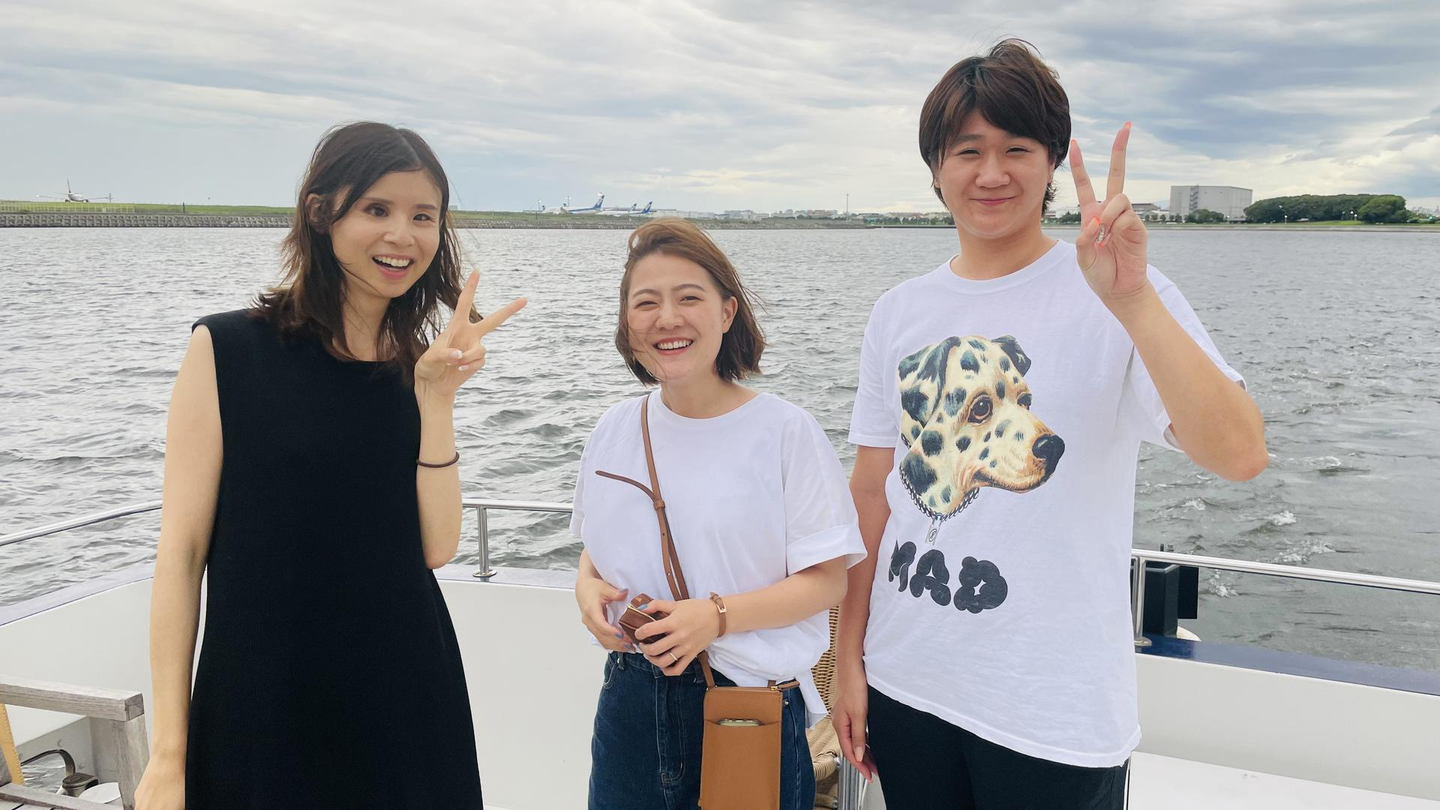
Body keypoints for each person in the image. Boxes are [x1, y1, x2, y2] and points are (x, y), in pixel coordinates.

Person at [831, 40, 1267, 809]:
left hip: (1051, 712)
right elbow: (871, 492)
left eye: (1017, 149)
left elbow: (1239, 453)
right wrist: (848, 658)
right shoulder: (899, 312)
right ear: (935, 168)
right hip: (907, 682)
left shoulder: (1116, 290)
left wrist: (1132, 300)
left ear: (1053, 162)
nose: (991, 173)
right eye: (968, 150)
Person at [135, 122, 525, 809]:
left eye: (423, 216)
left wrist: (437, 400)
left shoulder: (420, 369)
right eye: (377, 209)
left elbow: (437, 547)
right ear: (321, 213)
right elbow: (182, 552)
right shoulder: (227, 350)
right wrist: (169, 754)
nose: (402, 235)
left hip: (404, 693)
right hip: (264, 697)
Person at [571, 219, 866, 810]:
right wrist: (585, 590)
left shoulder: (785, 431)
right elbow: (595, 549)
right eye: (646, 303)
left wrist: (716, 617)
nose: (667, 318)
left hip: (744, 702)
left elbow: (827, 580)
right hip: (629, 700)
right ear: (627, 323)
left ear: (727, 312)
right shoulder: (614, 428)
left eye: (689, 298)